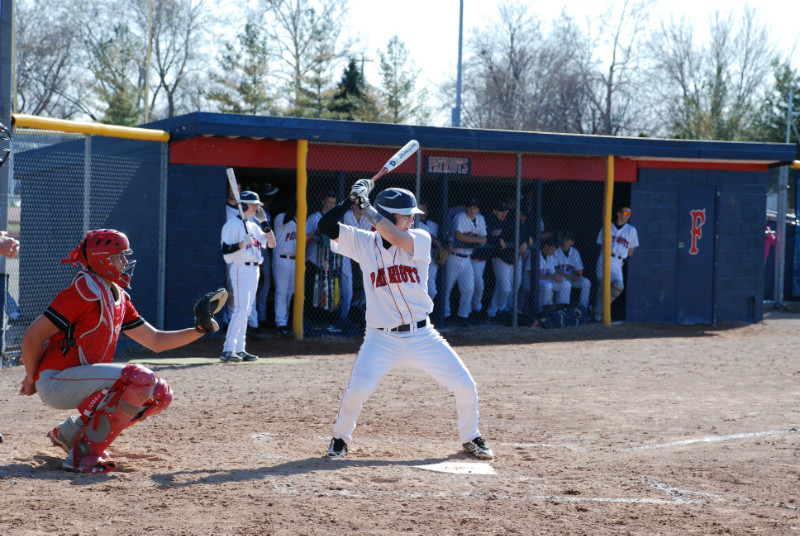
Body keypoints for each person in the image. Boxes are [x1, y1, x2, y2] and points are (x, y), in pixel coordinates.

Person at [18, 229, 223, 473]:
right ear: (102, 260)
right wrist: (32, 378)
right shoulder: (84, 291)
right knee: (141, 379)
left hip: (76, 378)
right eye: (119, 256)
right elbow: (33, 336)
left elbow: (156, 340)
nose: (125, 262)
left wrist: (199, 330)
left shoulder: (116, 295)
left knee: (160, 394)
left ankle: (71, 433)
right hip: (57, 380)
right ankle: (84, 453)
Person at [316, 181, 494, 461]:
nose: (413, 219)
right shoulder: (365, 242)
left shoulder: (419, 238)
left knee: (464, 385)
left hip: (422, 335)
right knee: (358, 389)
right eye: (407, 215)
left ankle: (471, 436)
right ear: (389, 216)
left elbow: (396, 237)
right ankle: (340, 438)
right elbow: (325, 227)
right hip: (380, 338)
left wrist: (367, 207)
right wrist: (349, 200)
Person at [220, 191, 276, 362]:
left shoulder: (254, 226)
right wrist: (241, 244)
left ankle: (240, 349)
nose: (256, 208)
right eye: (253, 205)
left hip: (254, 269)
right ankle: (228, 349)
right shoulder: (232, 225)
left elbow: (272, 243)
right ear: (243, 205)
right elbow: (225, 250)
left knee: (247, 310)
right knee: (240, 309)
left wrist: (264, 222)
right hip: (240, 268)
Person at [442, 198, 486, 327]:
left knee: (469, 288)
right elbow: (459, 236)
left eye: (475, 208)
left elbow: (484, 238)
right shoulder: (460, 216)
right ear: (466, 208)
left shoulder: (480, 219)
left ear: (478, 209)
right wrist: (476, 240)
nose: (472, 210)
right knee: (447, 288)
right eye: (470, 207)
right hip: (454, 256)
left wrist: (473, 239)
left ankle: (463, 315)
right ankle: (445, 315)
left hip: (467, 258)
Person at [593, 204, 639, 322]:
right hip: (605, 257)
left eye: (629, 214)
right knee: (602, 287)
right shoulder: (607, 226)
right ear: (618, 214)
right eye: (625, 213)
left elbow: (632, 248)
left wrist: (625, 260)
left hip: (618, 261)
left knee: (618, 286)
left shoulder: (631, 230)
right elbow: (599, 243)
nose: (628, 216)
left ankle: (599, 310)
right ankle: (599, 315)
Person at [485, 201, 527, 323]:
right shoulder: (490, 220)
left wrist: (524, 241)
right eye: (501, 211)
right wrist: (497, 240)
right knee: (505, 288)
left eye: (505, 211)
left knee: (512, 286)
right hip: (499, 258)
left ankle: (499, 312)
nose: (504, 213)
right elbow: (485, 235)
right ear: (495, 211)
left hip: (513, 258)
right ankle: (497, 311)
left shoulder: (510, 220)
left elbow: (521, 233)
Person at [338, 203, 371, 326]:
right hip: (346, 248)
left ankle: (363, 311)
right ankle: (344, 315)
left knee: (368, 279)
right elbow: (347, 237)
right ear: (354, 206)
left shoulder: (367, 217)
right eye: (359, 206)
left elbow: (366, 237)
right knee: (347, 281)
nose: (361, 209)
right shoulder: (347, 215)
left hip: (362, 250)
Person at [305, 191, 337, 313]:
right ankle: (311, 314)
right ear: (323, 202)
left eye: (333, 203)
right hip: (313, 259)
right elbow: (304, 239)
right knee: (312, 289)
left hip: (330, 261)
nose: (331, 205)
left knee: (327, 292)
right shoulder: (314, 217)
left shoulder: (336, 219)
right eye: (329, 202)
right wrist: (316, 233)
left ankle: (327, 316)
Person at [254, 182, 279, 331]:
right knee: (259, 285)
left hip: (264, 250)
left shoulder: (265, 210)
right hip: (258, 250)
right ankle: (256, 318)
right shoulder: (257, 212)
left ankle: (261, 317)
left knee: (264, 285)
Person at [272, 200, 297, 337]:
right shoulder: (280, 217)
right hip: (281, 259)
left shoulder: (298, 220)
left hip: (295, 260)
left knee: (290, 293)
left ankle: (285, 321)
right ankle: (280, 323)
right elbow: (288, 217)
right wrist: (294, 203)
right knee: (281, 292)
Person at [553, 231, 591, 310]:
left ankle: (583, 308)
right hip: (560, 278)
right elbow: (554, 269)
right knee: (566, 284)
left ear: (572, 242)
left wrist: (578, 276)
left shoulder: (575, 252)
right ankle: (563, 309)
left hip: (572, 278)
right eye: (563, 239)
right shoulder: (556, 251)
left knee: (586, 282)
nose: (564, 241)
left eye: (567, 240)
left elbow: (580, 270)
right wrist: (569, 275)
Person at [417, 202, 442, 300]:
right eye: (420, 207)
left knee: (432, 291)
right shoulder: (413, 223)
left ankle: (426, 308)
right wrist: (435, 241)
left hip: (431, 256)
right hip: (418, 256)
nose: (423, 209)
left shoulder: (433, 224)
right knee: (420, 287)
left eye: (424, 207)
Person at [539, 236, 571, 308]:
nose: (553, 252)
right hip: (534, 282)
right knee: (548, 286)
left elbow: (553, 272)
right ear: (546, 246)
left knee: (566, 284)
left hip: (546, 280)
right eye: (552, 249)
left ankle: (563, 308)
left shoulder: (550, 257)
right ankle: (545, 310)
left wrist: (558, 277)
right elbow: (534, 276)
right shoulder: (536, 254)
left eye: (554, 250)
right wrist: (552, 277)